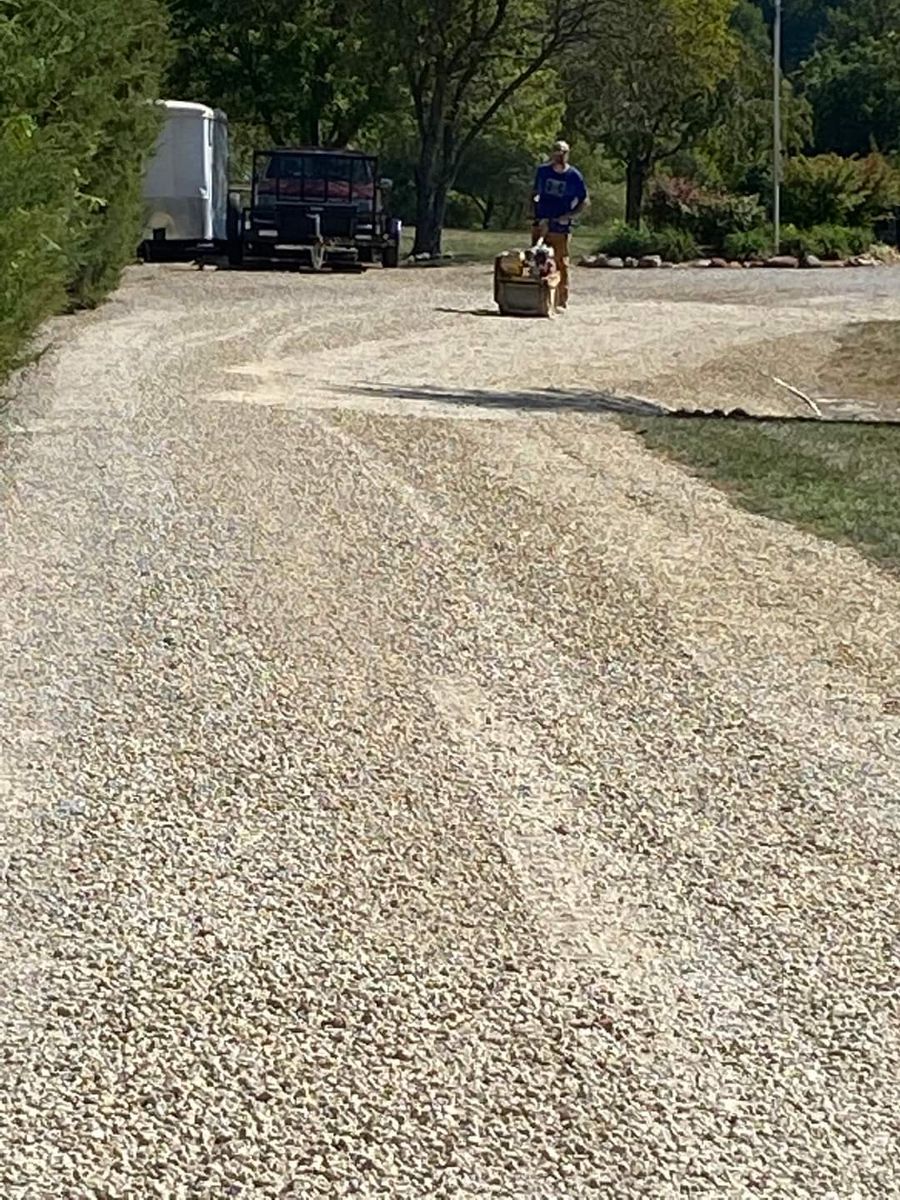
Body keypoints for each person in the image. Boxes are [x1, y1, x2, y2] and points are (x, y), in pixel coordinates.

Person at [531, 140, 589, 309]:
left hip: (561, 226)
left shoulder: (574, 176)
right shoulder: (542, 172)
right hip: (542, 221)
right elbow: (534, 193)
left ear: (567, 154)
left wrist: (569, 215)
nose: (559, 155)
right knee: (537, 258)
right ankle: (538, 296)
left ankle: (561, 298)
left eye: (563, 152)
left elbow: (584, 200)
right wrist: (533, 213)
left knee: (560, 262)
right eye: (556, 152)